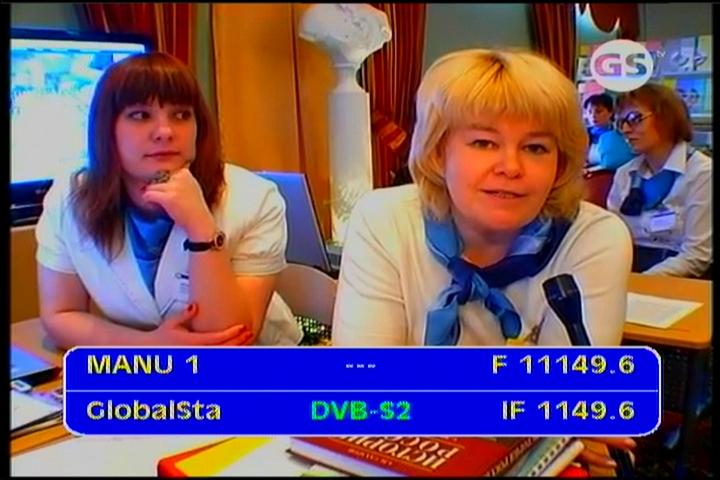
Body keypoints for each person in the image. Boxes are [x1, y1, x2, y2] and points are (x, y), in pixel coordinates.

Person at [331, 48, 635, 469]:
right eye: (483, 142)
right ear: (438, 152)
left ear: (560, 163)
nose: (510, 166)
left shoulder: (595, 237)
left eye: (535, 147)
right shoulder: (383, 218)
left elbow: (566, 410)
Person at [36, 52, 302, 348]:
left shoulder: (254, 198)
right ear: (106, 129)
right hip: (143, 364)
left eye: (181, 115)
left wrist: (201, 228)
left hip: (253, 366)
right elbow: (61, 314)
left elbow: (230, 339)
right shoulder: (71, 198)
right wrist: (150, 345)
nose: (165, 132)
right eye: (140, 115)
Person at [606, 83, 712, 277]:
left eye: (635, 119)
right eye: (620, 122)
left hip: (679, 280)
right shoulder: (624, 174)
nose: (625, 129)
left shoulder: (703, 173)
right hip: (627, 271)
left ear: (667, 119)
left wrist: (642, 282)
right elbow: (611, 239)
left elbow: (697, 255)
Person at [583, 93, 634, 171]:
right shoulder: (583, 135)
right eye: (589, 112)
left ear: (610, 112)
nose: (593, 116)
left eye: (598, 112)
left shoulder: (620, 132)